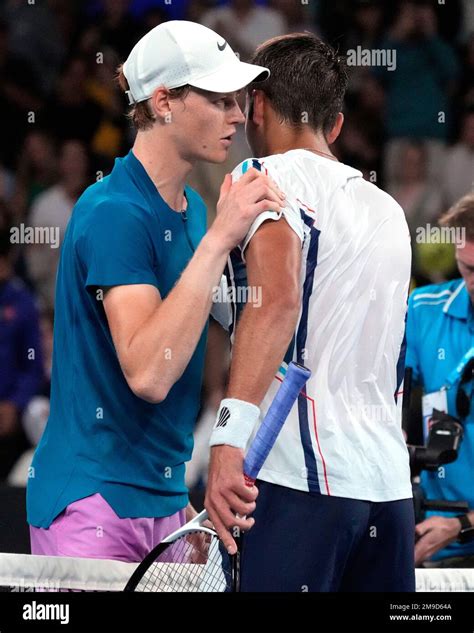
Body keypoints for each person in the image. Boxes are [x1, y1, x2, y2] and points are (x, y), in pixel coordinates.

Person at [26, 20, 285, 563]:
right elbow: (149, 373)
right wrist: (220, 240)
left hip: (165, 502)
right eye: (219, 100)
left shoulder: (191, 213)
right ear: (164, 101)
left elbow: (203, 340)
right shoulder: (114, 213)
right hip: (92, 502)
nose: (238, 116)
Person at [205, 33, 415, 592]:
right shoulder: (390, 210)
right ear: (337, 124)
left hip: (300, 482)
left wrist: (228, 439)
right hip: (388, 491)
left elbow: (275, 301)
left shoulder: (262, 176)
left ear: (259, 108)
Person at [406, 192, 474, 567]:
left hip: (453, 531)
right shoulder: (422, 311)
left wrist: (462, 525)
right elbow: (391, 410)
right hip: (434, 544)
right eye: (467, 270)